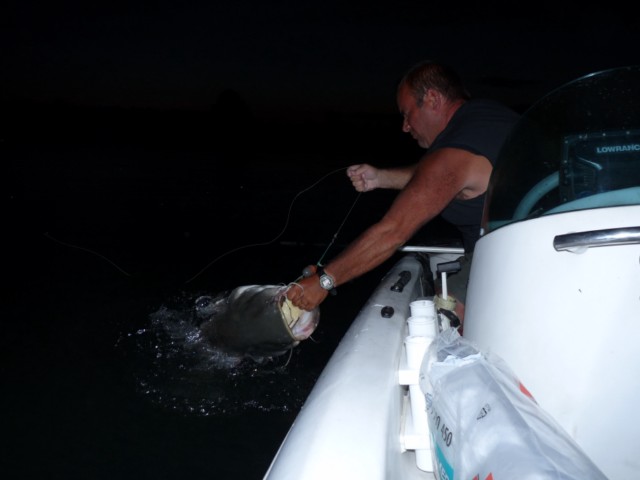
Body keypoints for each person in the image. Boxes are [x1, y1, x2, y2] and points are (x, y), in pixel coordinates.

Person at [286, 60, 520, 321]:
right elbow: (434, 177)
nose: (405, 126)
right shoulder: (486, 117)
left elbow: (392, 231)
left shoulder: (452, 155)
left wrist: (324, 281)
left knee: (441, 320)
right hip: (539, 242)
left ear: (432, 98)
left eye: (407, 113)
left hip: (511, 263)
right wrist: (381, 178)